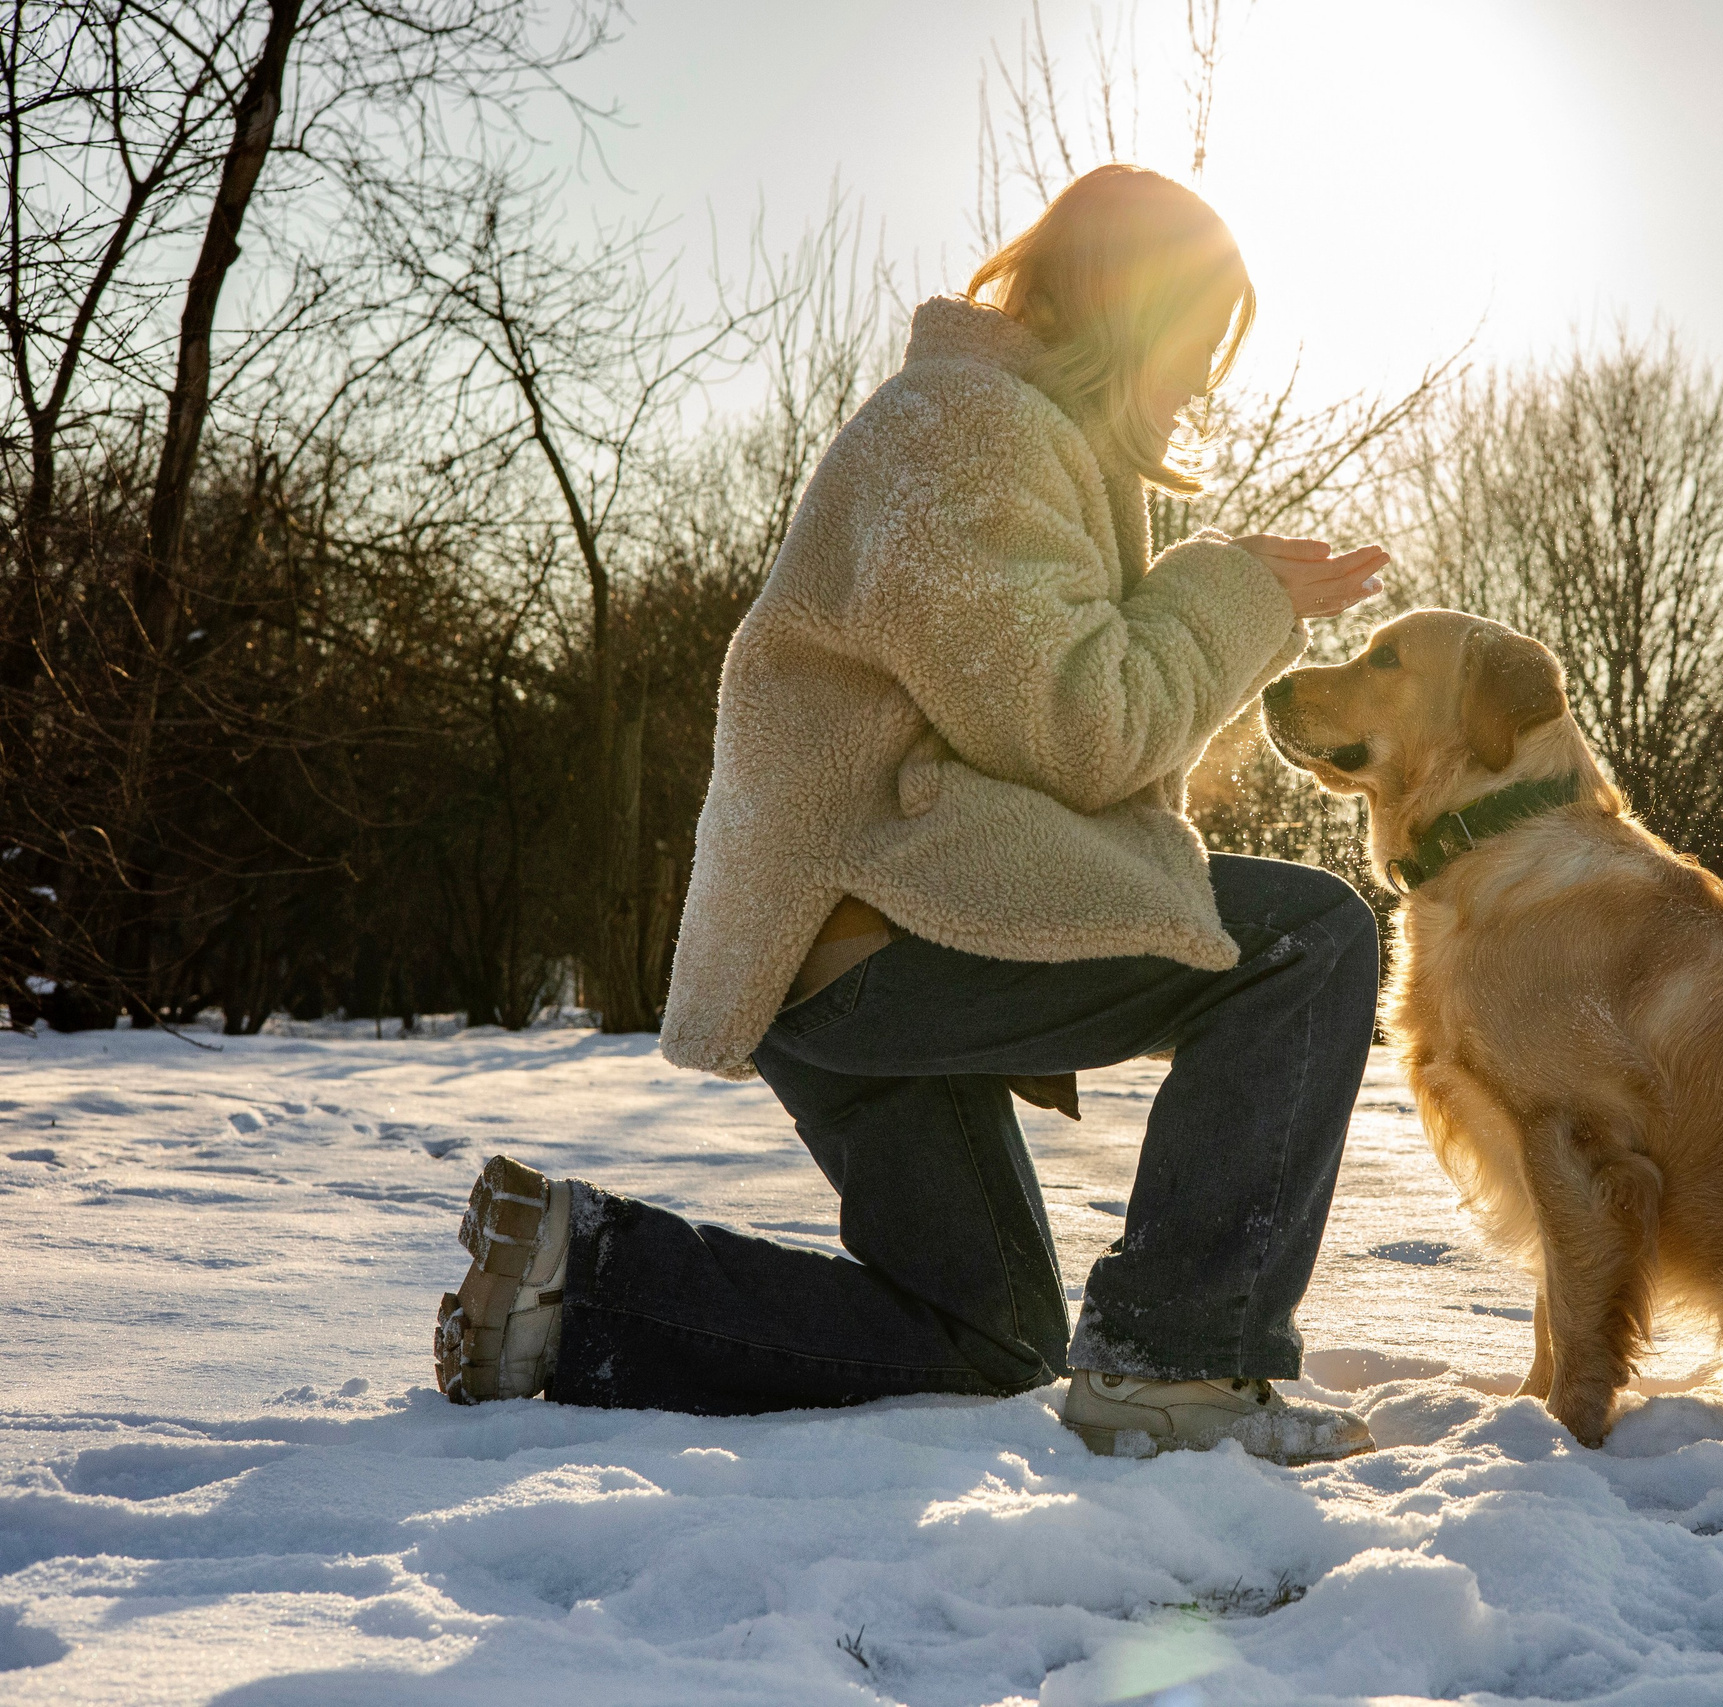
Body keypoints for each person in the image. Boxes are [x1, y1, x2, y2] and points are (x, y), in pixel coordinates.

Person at [430, 165, 1390, 1463]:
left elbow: (1036, 718)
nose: (1203, 387)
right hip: (878, 941)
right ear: (1131, 311)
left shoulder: (999, 436)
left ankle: (580, 1280)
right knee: (1307, 939)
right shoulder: (967, 429)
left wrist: (1217, 598)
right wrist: (1234, 596)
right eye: (1199, 343)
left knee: (980, 1336)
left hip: (850, 950)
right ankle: (1181, 1373)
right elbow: (1084, 725)